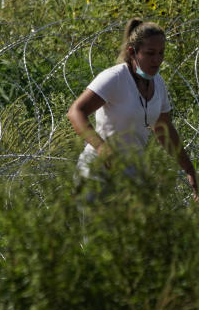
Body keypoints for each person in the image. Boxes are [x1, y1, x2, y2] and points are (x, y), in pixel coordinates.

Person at [67, 18, 199, 197]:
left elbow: (164, 129)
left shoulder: (158, 83)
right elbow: (76, 111)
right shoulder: (115, 78)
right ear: (132, 52)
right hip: (97, 173)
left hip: (132, 175)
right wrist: (101, 148)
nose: (157, 60)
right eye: (150, 53)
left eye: (161, 53)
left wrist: (189, 169)